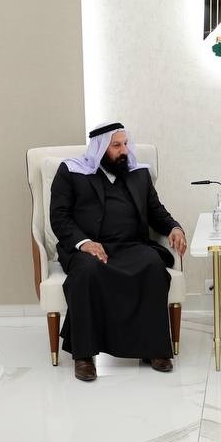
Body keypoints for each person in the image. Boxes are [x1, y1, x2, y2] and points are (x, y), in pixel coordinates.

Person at [50, 122, 187, 382]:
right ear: (100, 148)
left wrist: (174, 227)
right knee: (87, 271)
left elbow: (156, 211)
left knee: (152, 265)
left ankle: (153, 349)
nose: (124, 150)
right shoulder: (71, 172)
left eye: (125, 144)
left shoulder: (139, 173)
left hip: (131, 245)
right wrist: (84, 243)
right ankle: (84, 355)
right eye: (116, 145)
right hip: (90, 248)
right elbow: (59, 217)